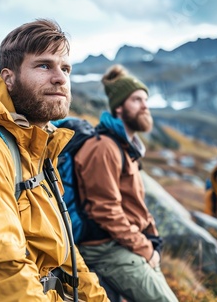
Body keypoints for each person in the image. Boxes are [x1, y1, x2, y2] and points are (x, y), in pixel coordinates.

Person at [0, 19, 109, 301]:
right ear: (8, 78)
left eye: (65, 68)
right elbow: (1, 269)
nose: (60, 78)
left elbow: (67, 255)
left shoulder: (39, 149)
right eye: (44, 65)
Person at [73, 65, 178, 302]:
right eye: (136, 100)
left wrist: (152, 239)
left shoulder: (125, 148)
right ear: (119, 107)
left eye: (145, 99)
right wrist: (144, 248)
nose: (145, 105)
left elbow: (134, 205)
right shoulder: (104, 148)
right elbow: (105, 210)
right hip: (105, 248)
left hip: (126, 242)